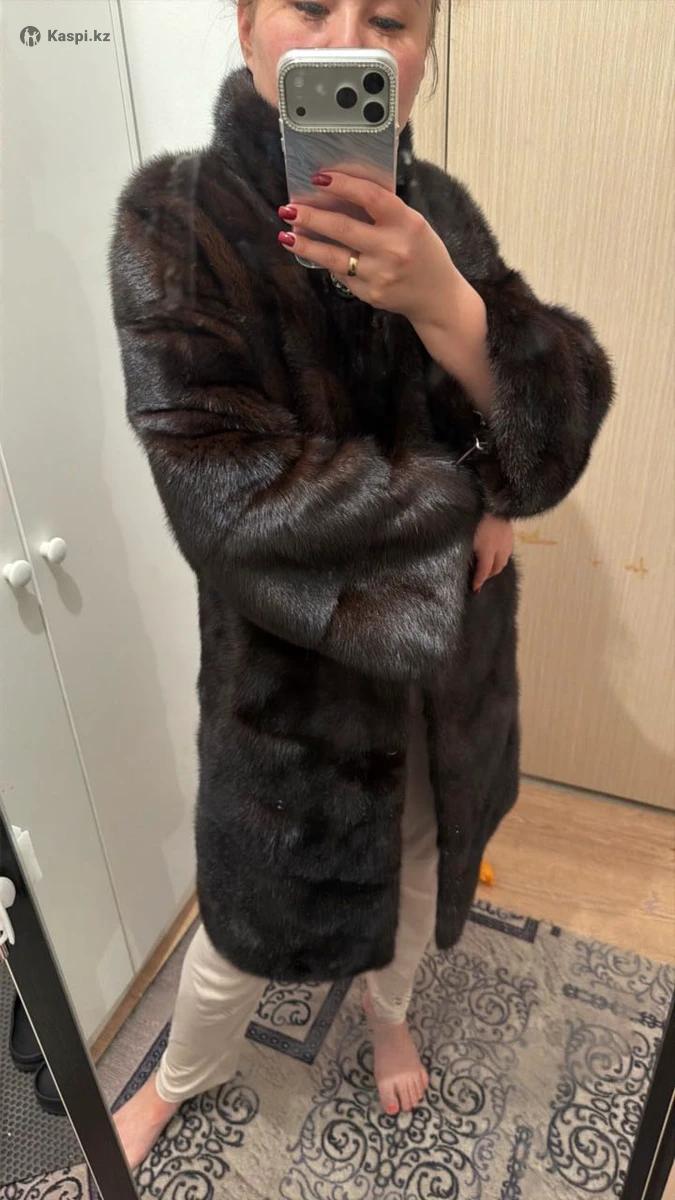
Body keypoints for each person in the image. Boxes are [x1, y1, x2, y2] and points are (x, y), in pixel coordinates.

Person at [108, 0, 614, 1174]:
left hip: (444, 684)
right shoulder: (175, 220)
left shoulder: (439, 215)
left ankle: (389, 1017)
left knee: (418, 872)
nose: (349, 41)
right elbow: (227, 494)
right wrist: (456, 511)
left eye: (390, 17)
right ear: (246, 26)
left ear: (426, 52)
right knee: (244, 925)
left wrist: (449, 306)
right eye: (309, 6)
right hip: (288, 694)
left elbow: (550, 426)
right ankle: (177, 1078)